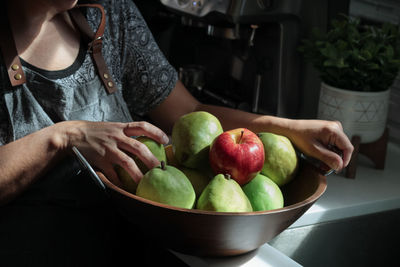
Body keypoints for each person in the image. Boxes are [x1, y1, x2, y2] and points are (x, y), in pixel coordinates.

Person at [0, 0, 354, 266]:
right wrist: (65, 137)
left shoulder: (111, 14)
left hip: (133, 248)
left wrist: (289, 128)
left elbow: (187, 116)